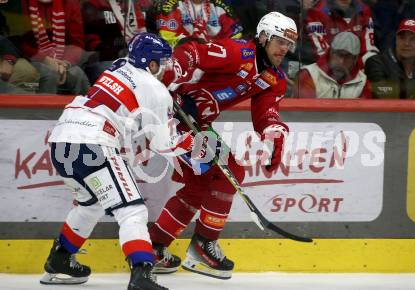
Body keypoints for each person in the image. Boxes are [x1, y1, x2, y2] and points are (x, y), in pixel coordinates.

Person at [148, 12, 298, 279]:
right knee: (227, 173)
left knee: (205, 181)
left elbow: (266, 113)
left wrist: (274, 133)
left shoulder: (274, 78)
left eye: (289, 44)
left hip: (195, 123)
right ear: (263, 37)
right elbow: (192, 51)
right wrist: (173, 74)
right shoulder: (237, 52)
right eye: (280, 41)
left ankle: (156, 247)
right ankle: (202, 245)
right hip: (169, 115)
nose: (285, 48)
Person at [39, 32, 192, 290]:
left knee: (91, 204)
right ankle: (142, 274)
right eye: (162, 63)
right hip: (94, 142)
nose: (165, 68)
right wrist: (194, 145)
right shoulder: (156, 89)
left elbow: (131, 97)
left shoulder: (118, 66)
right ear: (151, 64)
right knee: (132, 210)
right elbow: (163, 144)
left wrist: (164, 105)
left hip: (61, 138)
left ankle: (60, 259)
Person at [18, 0, 90, 95]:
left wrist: (64, 64)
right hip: (31, 58)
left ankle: (83, 108)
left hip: (64, 60)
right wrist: (45, 60)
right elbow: (20, 42)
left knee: (77, 74)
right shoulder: (21, 3)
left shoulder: (70, 3)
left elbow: (76, 43)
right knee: (49, 75)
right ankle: (43, 109)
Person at [81, 0, 154, 83]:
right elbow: (90, 43)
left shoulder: (143, 4)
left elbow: (153, 30)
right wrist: (117, 51)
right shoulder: (93, 4)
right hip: (107, 60)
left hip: (139, 57)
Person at [365, 18, 415, 99]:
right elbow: (382, 93)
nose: (406, 43)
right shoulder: (376, 62)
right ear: (396, 40)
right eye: (402, 38)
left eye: (413, 39)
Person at [294, 31, 372, 99]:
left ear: (355, 59)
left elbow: (364, 115)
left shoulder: (362, 82)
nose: (341, 62)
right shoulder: (308, 75)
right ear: (330, 52)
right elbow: (304, 113)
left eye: (348, 57)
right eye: (338, 54)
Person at [305, 0, 379, 65]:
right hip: (328, 67)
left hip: (358, 65)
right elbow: (321, 53)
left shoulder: (364, 9)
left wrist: (370, 61)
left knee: (374, 63)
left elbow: (368, 47)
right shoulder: (317, 11)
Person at [156, 0, 243, 48]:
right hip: (183, 57)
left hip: (217, 58)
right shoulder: (171, 6)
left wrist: (219, 48)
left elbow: (235, 36)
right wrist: (189, 44)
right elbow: (167, 39)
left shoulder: (220, 6)